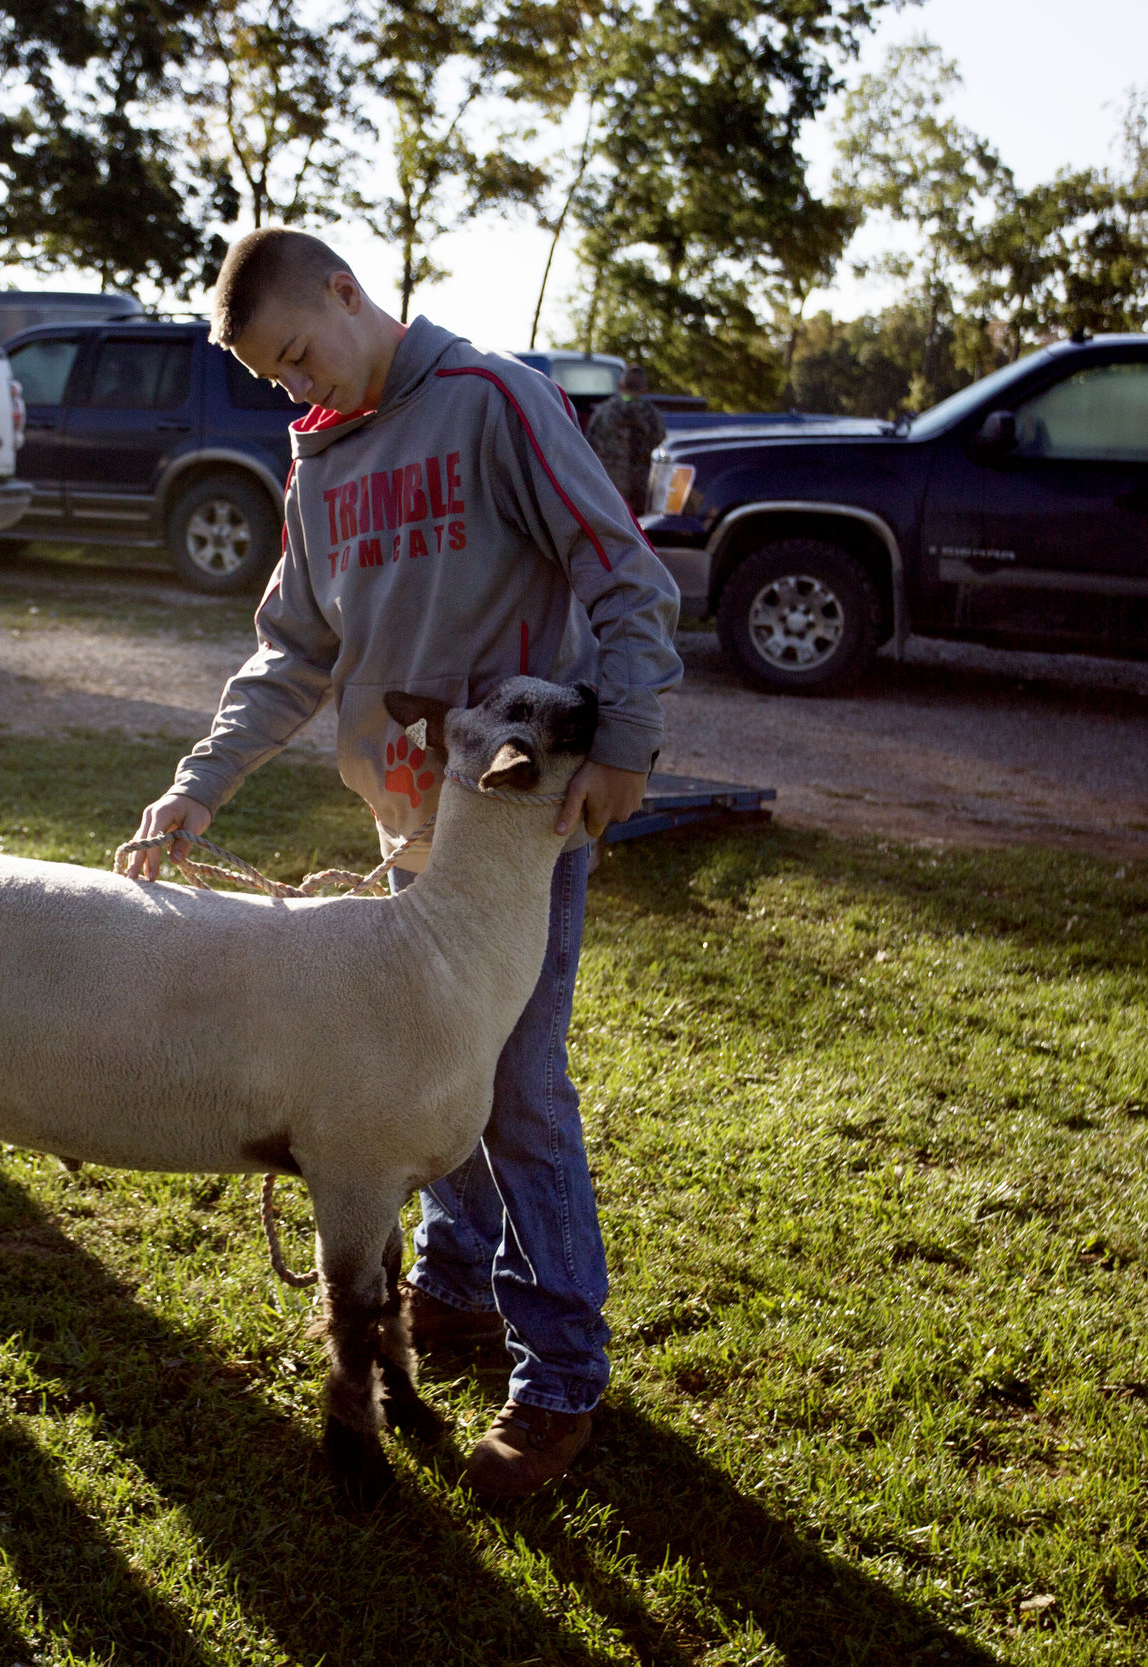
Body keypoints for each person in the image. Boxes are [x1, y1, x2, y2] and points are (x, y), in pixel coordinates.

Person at [118, 229, 682, 1499]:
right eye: (272, 376)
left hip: (517, 827)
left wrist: (628, 742)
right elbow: (292, 652)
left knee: (518, 1081)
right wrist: (198, 785)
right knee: (431, 1070)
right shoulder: (318, 458)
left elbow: (622, 572)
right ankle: (456, 1278)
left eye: (299, 352)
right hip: (403, 822)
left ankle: (561, 1372)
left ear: (345, 291)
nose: (294, 385)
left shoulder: (490, 401)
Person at [585, 363, 667, 516]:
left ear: (620, 385)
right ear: (644, 388)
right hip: (643, 499)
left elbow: (587, 452)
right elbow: (662, 452)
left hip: (609, 496)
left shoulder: (603, 414)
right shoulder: (653, 416)